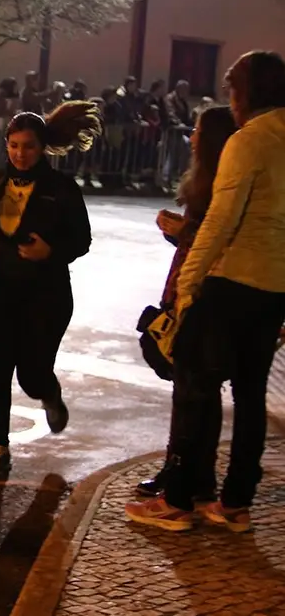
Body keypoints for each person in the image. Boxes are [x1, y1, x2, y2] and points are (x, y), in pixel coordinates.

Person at [126, 52, 285, 533]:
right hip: (275, 289)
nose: (229, 98)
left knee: (195, 385)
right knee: (251, 393)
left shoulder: (249, 140)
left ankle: (179, 502)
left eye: (231, 88)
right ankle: (235, 503)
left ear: (248, 92)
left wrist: (189, 285)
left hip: (232, 281)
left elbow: (219, 220)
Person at [0, 101, 99, 479]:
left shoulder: (61, 189)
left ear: (42, 146)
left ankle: (48, 392)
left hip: (45, 293)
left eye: (28, 146)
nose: (19, 153)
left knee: (31, 373)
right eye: (13, 145)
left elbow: (82, 239)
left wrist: (52, 251)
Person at [131, 105, 236, 499]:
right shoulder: (206, 184)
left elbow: (218, 243)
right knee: (190, 389)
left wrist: (186, 231)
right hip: (185, 289)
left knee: (196, 390)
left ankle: (187, 481)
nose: (190, 137)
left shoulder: (224, 187)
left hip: (203, 297)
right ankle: (187, 473)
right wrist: (178, 233)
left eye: (197, 131)